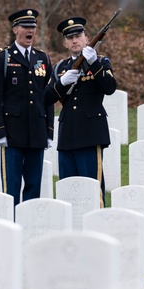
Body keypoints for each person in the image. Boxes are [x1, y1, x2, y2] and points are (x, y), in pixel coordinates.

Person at [44, 17, 116, 205]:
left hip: (91, 133)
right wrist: (62, 83)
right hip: (67, 134)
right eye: (70, 38)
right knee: (68, 190)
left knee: (93, 189)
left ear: (86, 39)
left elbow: (110, 87)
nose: (75, 40)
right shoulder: (60, 68)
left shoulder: (100, 61)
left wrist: (94, 63)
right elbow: (46, 98)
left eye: (78, 36)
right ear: (65, 43)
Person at [0, 8, 54, 206]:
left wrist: (49, 131)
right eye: (25, 27)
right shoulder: (3, 58)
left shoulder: (42, 59)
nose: (30, 30)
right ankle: (12, 221)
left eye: (33, 27)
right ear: (15, 30)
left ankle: (30, 221)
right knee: (12, 187)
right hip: (12, 133)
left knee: (34, 185)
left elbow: (47, 97)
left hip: (37, 132)